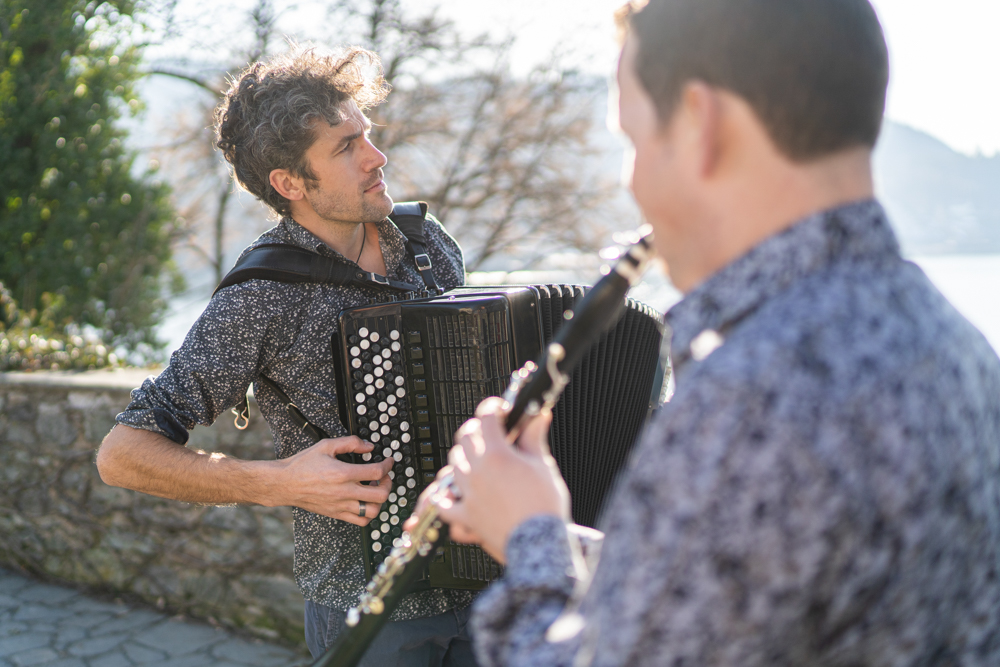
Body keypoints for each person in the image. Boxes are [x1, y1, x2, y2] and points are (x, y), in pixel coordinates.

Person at [425, 1, 1000, 665]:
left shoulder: (753, 395)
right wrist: (546, 533)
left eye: (631, 140)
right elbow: (767, 590)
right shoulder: (960, 348)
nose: (631, 179)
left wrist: (529, 540)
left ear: (700, 121)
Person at [96, 48, 479, 666]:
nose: (376, 157)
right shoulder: (261, 297)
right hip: (371, 609)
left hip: (487, 574)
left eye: (368, 134)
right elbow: (122, 455)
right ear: (290, 184)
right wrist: (276, 483)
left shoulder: (428, 244)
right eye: (346, 146)